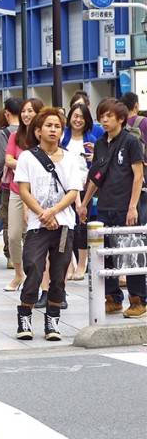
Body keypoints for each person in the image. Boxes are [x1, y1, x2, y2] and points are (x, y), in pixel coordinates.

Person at [15, 108, 82, 340]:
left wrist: (53, 211)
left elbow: (74, 191)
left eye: (57, 127)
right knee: (33, 266)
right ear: (38, 130)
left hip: (64, 225)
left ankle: (52, 321)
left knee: (58, 272)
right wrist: (43, 213)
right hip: (37, 224)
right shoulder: (26, 157)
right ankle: (24, 315)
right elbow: (24, 190)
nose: (53, 130)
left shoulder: (70, 158)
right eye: (49, 126)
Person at [78, 98, 147, 318]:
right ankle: (112, 298)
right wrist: (84, 204)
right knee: (104, 255)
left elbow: (138, 176)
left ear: (121, 118)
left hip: (127, 207)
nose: (104, 120)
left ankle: (138, 300)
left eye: (109, 116)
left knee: (131, 253)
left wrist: (133, 206)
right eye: (102, 116)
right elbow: (96, 177)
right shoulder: (100, 144)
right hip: (105, 206)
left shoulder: (131, 141)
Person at [3, 98, 43, 291]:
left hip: (39, 193)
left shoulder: (42, 136)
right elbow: (8, 159)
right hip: (17, 191)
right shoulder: (15, 136)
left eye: (30, 111)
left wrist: (22, 164)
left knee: (34, 236)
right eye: (24, 111)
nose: (26, 115)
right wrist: (28, 165)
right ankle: (19, 273)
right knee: (13, 235)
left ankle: (35, 276)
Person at [61, 104, 97, 281]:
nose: (78, 120)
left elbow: (99, 168)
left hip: (85, 188)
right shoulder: (62, 138)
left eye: (82, 117)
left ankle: (82, 265)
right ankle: (69, 265)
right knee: (66, 227)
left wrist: (94, 157)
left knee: (82, 226)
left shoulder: (91, 140)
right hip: (64, 188)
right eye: (75, 116)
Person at [0, 97, 23, 267]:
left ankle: (11, 256)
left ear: (7, 113)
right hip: (29, 182)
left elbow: (2, 159)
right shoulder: (30, 131)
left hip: (10, 183)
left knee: (8, 219)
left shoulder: (3, 134)